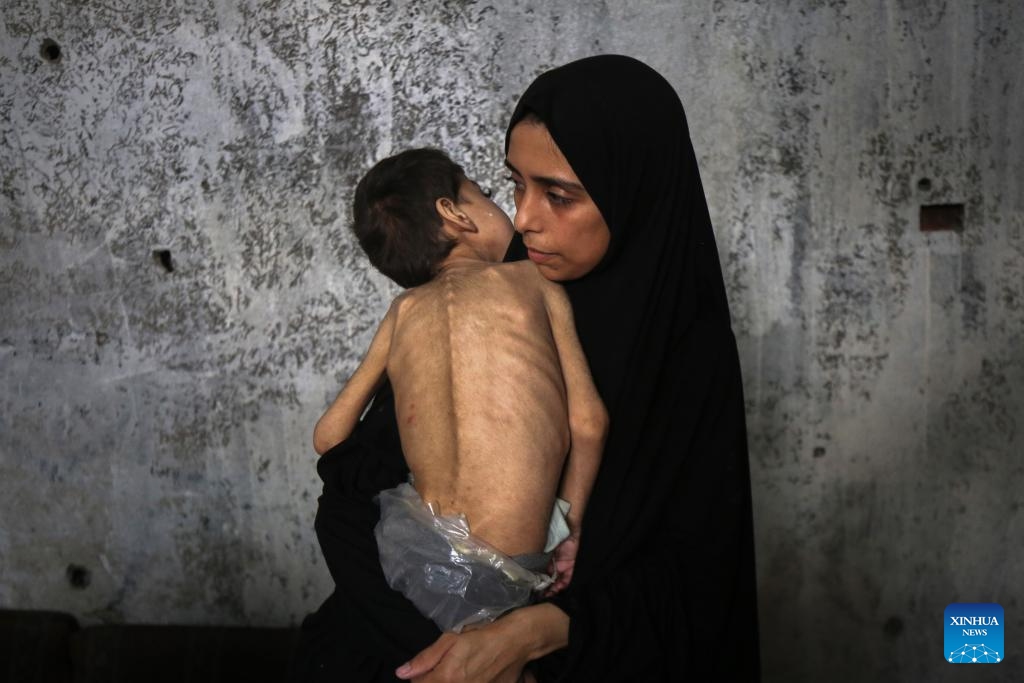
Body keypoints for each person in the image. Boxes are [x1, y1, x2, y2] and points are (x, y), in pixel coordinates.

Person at [289, 54, 760, 682]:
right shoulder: (494, 294)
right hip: (410, 646)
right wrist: (445, 651)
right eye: (515, 185)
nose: (527, 219)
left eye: (559, 195)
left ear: (633, 193)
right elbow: (347, 502)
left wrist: (539, 631)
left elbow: (701, 579)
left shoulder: (686, 352)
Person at [311, 147, 607, 634]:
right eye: (485, 194)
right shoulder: (533, 281)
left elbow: (329, 438)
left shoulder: (403, 311)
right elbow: (590, 424)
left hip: (410, 562)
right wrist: (569, 533)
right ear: (452, 212)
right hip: (510, 569)